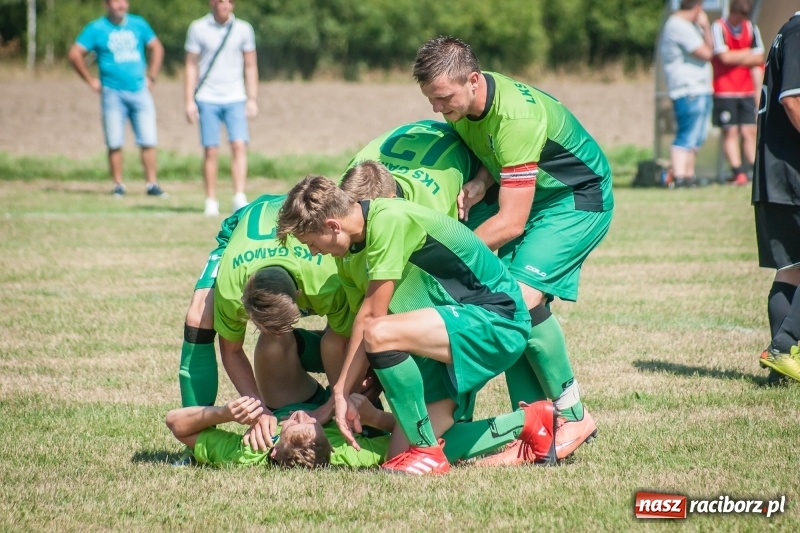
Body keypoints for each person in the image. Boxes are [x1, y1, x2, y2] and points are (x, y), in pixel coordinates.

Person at [412, 36, 613, 464]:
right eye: (430, 99)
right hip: (538, 196)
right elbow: (496, 150)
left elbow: (510, 223)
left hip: (576, 199)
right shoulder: (466, 103)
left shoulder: (515, 117)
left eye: (443, 97)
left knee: (517, 298)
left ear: (471, 80)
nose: (436, 109)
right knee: (502, 305)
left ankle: (573, 414)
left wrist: (445, 260)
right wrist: (484, 181)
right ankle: (537, 424)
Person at [276, 176, 558, 475]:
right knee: (397, 459)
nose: (313, 253)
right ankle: (530, 422)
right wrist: (341, 396)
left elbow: (373, 319)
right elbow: (362, 320)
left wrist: (340, 394)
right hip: (439, 339)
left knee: (380, 333)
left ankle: (427, 450)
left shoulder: (389, 219)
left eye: (311, 244)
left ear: (333, 226)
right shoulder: (347, 256)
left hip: (496, 320)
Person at [179, 194, 353, 455]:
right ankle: (196, 439)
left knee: (353, 336)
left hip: (298, 217)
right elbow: (231, 350)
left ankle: (357, 414)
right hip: (246, 223)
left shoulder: (327, 280)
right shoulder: (231, 289)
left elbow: (344, 340)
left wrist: (337, 402)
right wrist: (258, 410)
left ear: (299, 298)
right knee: (198, 320)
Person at [67, 0, 167, 198]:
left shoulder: (139, 24)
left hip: (140, 90)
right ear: (107, 5)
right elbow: (75, 54)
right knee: (114, 141)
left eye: (123, 1)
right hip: (112, 92)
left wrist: (152, 77)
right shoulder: (96, 28)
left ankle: (152, 184)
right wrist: (91, 81)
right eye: (115, 1)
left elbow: (157, 47)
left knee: (148, 139)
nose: (120, 5)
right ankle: (118, 185)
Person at [753, 12, 800, 384]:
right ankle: (784, 345)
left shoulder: (787, 30)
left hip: (777, 173)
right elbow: (793, 100)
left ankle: (779, 371)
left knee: (792, 268)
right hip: (792, 171)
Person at [167, 393, 393, 469]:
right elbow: (416, 438)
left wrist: (224, 414)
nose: (304, 414)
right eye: (313, 424)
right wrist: (376, 417)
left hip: (282, 396)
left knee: (271, 345)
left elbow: (174, 422)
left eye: (294, 421)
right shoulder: (347, 452)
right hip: (336, 400)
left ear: (273, 450)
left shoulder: (252, 450)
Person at [184, 0, 258, 216]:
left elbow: (251, 65)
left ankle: (239, 196)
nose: (223, 4)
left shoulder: (244, 29)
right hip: (207, 96)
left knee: (238, 145)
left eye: (227, 1)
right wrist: (189, 99)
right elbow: (190, 65)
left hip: (236, 96)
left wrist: (252, 98)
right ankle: (211, 199)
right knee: (211, 149)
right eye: (219, 0)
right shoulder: (197, 28)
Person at [659, 0, 714, 188]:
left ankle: (688, 176)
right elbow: (707, 52)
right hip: (689, 90)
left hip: (699, 89)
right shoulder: (678, 26)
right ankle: (679, 177)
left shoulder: (686, 26)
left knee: (697, 136)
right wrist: (706, 27)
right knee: (686, 135)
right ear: (698, 7)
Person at [710, 0, 765, 186]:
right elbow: (723, 57)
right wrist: (747, 55)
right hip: (724, 90)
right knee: (730, 131)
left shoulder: (750, 28)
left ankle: (753, 169)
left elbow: (759, 57)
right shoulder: (718, 27)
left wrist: (735, 56)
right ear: (733, 13)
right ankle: (737, 171)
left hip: (746, 89)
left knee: (749, 130)